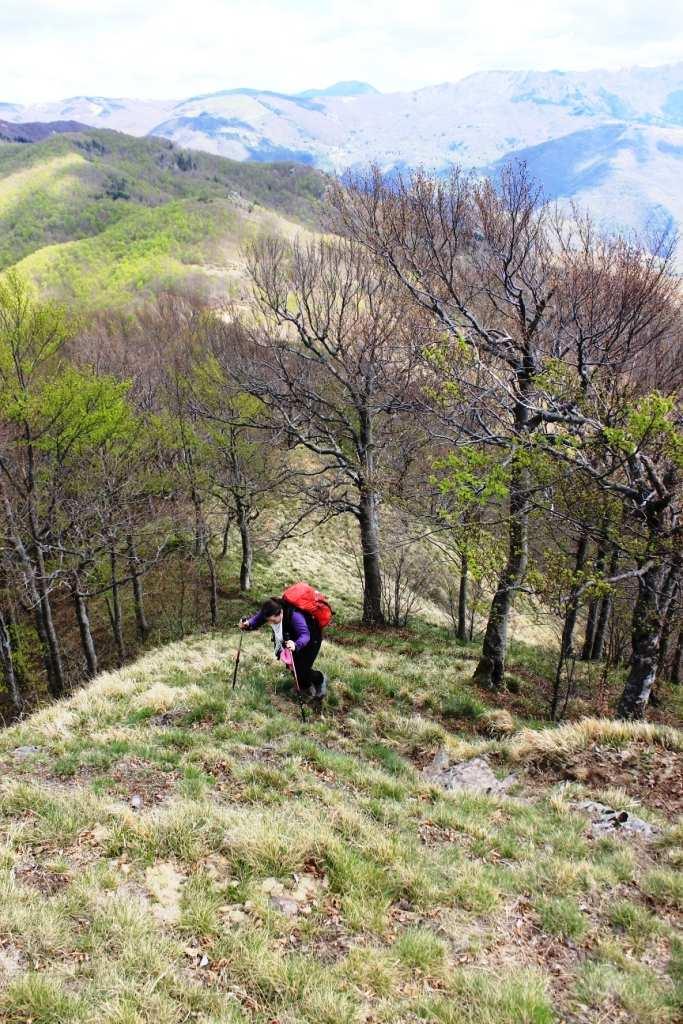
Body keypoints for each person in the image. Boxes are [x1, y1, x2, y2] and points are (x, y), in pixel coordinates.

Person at [239, 597, 328, 703]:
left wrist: (296, 644)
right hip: (291, 638)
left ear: (281, 613)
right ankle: (306, 687)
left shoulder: (295, 616)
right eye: (269, 621)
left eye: (273, 621)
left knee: (301, 670)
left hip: (311, 639)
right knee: (293, 666)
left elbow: (305, 635)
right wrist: (248, 624)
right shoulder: (270, 610)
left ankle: (320, 680)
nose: (270, 623)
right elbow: (258, 619)